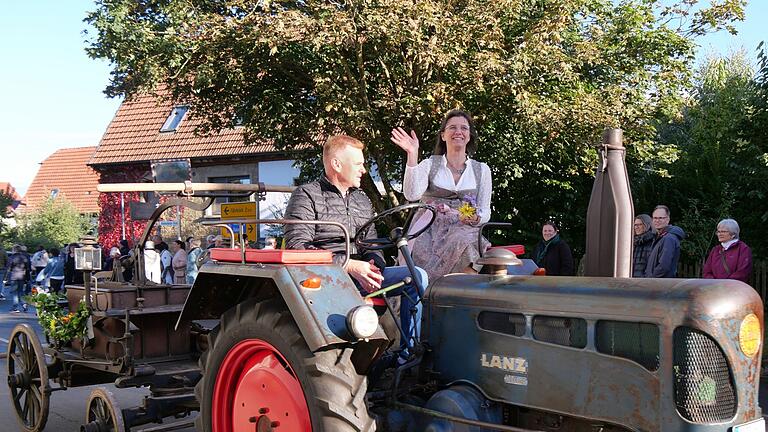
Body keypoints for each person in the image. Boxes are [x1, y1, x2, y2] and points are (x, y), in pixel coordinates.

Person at [285, 135, 428, 363]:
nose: (363, 169)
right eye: (359, 164)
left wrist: (373, 266)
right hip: (325, 280)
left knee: (416, 276)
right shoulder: (306, 195)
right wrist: (349, 265)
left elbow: (372, 244)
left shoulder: (361, 199)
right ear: (336, 164)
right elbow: (298, 246)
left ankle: (408, 354)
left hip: (361, 276)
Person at [391, 110, 492, 281]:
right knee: (418, 253)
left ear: (469, 136)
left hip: (463, 226)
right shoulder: (430, 164)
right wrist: (412, 155)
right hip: (428, 226)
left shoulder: (482, 170)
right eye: (452, 127)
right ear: (443, 135)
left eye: (464, 128)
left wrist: (475, 218)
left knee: (470, 246)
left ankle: (453, 296)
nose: (458, 132)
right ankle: (422, 297)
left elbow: (485, 211)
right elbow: (411, 194)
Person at [702, 218, 752, 283]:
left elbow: (743, 272)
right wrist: (713, 283)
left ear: (733, 234)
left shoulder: (743, 249)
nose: (719, 234)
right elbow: (707, 271)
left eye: (723, 231)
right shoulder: (715, 250)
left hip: (734, 289)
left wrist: (726, 284)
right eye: (718, 231)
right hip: (715, 289)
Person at [644, 205, 686, 278]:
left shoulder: (669, 238)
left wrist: (651, 279)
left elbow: (664, 266)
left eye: (661, 218)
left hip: (660, 285)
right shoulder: (659, 237)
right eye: (655, 218)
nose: (657, 220)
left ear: (668, 219)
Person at [4, 245, 30, 313]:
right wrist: (27, 278)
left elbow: (8, 269)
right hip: (22, 276)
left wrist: (5, 278)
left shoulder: (12, 258)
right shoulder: (24, 257)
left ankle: (15, 307)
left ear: (14, 250)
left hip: (14, 276)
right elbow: (27, 269)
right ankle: (24, 304)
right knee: (20, 292)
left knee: (15, 292)